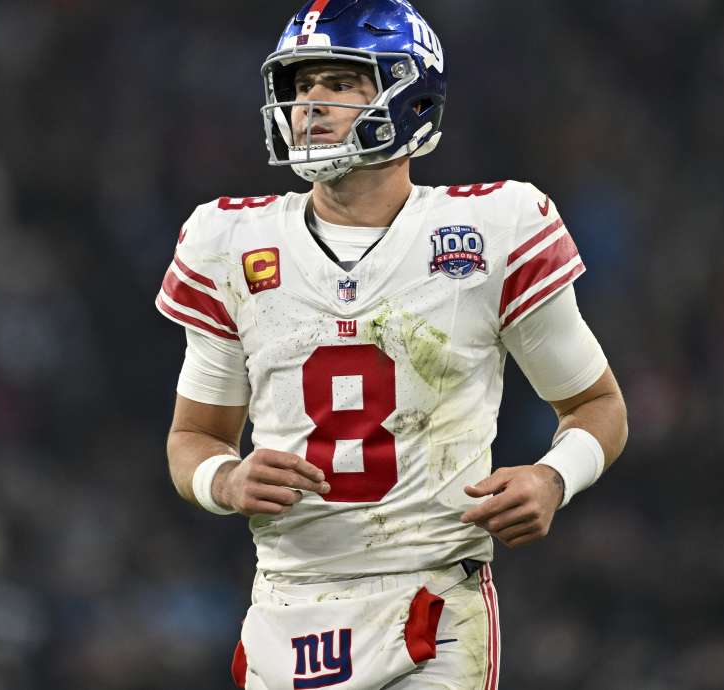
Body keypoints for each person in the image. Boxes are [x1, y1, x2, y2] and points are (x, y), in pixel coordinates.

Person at [156, 1, 628, 687]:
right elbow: (191, 438)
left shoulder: (492, 230)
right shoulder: (230, 243)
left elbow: (599, 406)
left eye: (340, 83)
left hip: (430, 603)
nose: (309, 104)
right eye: (300, 84)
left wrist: (552, 478)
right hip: (289, 603)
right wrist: (224, 479)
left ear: (411, 98)